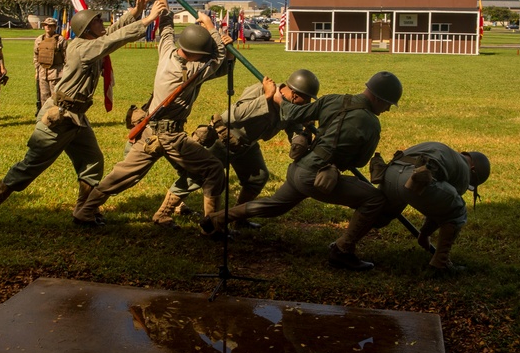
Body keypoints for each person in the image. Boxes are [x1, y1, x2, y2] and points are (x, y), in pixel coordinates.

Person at [0, 0, 167, 231]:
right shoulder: (81, 48)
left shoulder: (91, 41)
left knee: (92, 160)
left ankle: (83, 210)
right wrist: (147, 20)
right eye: (98, 20)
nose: (102, 22)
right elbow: (112, 40)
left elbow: (111, 32)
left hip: (76, 117)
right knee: (30, 166)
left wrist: (136, 11)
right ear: (88, 29)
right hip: (58, 117)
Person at [201, 71, 403, 272]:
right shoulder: (371, 124)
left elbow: (294, 114)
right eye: (387, 104)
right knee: (375, 199)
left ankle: (216, 219)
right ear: (377, 98)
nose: (386, 110)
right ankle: (343, 250)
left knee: (273, 206)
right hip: (316, 179)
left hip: (299, 168)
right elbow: (359, 162)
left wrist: (280, 99)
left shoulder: (333, 100)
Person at [72, 0, 229, 228]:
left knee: (122, 176)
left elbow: (165, 22)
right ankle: (213, 226)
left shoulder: (168, 51)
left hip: (150, 131)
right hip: (171, 136)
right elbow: (219, 56)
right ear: (197, 53)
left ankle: (87, 211)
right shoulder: (192, 71)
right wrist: (211, 28)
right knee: (213, 169)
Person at [153, 69, 321, 228]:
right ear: (294, 95)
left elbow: (295, 133)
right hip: (223, 138)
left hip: (247, 145)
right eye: (306, 100)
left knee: (258, 177)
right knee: (196, 177)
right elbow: (234, 115)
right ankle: (163, 213)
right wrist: (267, 97)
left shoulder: (292, 108)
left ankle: (237, 217)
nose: (307, 104)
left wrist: (305, 131)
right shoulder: (260, 90)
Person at [352, 143, 489, 276]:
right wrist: (425, 233)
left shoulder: (439, 148)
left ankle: (342, 247)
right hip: (417, 179)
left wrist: (424, 233)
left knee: (380, 213)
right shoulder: (464, 170)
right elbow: (443, 208)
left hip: (390, 174)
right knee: (457, 211)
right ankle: (441, 263)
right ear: (473, 169)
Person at [34, 16, 67, 107]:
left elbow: (66, 58)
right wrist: (37, 71)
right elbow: (36, 56)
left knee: (56, 97)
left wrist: (66, 72)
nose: (48, 27)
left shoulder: (60, 40)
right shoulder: (39, 40)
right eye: (46, 25)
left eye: (50, 25)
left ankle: (57, 117)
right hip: (42, 72)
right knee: (44, 97)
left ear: (55, 27)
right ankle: (45, 117)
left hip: (56, 72)